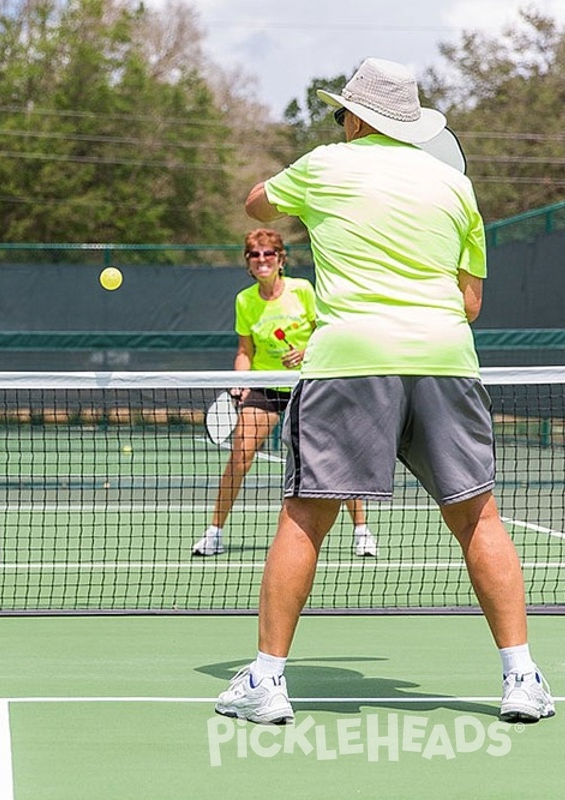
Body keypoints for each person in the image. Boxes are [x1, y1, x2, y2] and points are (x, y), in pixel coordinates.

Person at [215, 57, 553, 725]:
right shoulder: (456, 188)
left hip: (351, 361)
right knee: (479, 518)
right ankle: (522, 677)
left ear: (360, 118)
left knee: (306, 517)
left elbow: (256, 203)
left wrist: (298, 195)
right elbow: (471, 301)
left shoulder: (323, 166)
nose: (339, 123)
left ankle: (267, 682)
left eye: (343, 114)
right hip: (444, 359)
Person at [192, 229, 377, 558]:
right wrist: (239, 379)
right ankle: (214, 532)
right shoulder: (245, 300)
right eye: (255, 255)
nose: (262, 260)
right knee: (240, 454)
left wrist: (306, 350)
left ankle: (362, 531)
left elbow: (328, 331)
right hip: (266, 386)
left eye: (268, 254)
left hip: (309, 383)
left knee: (336, 457)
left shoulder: (302, 291)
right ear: (248, 264)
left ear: (281, 260)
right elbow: (244, 350)